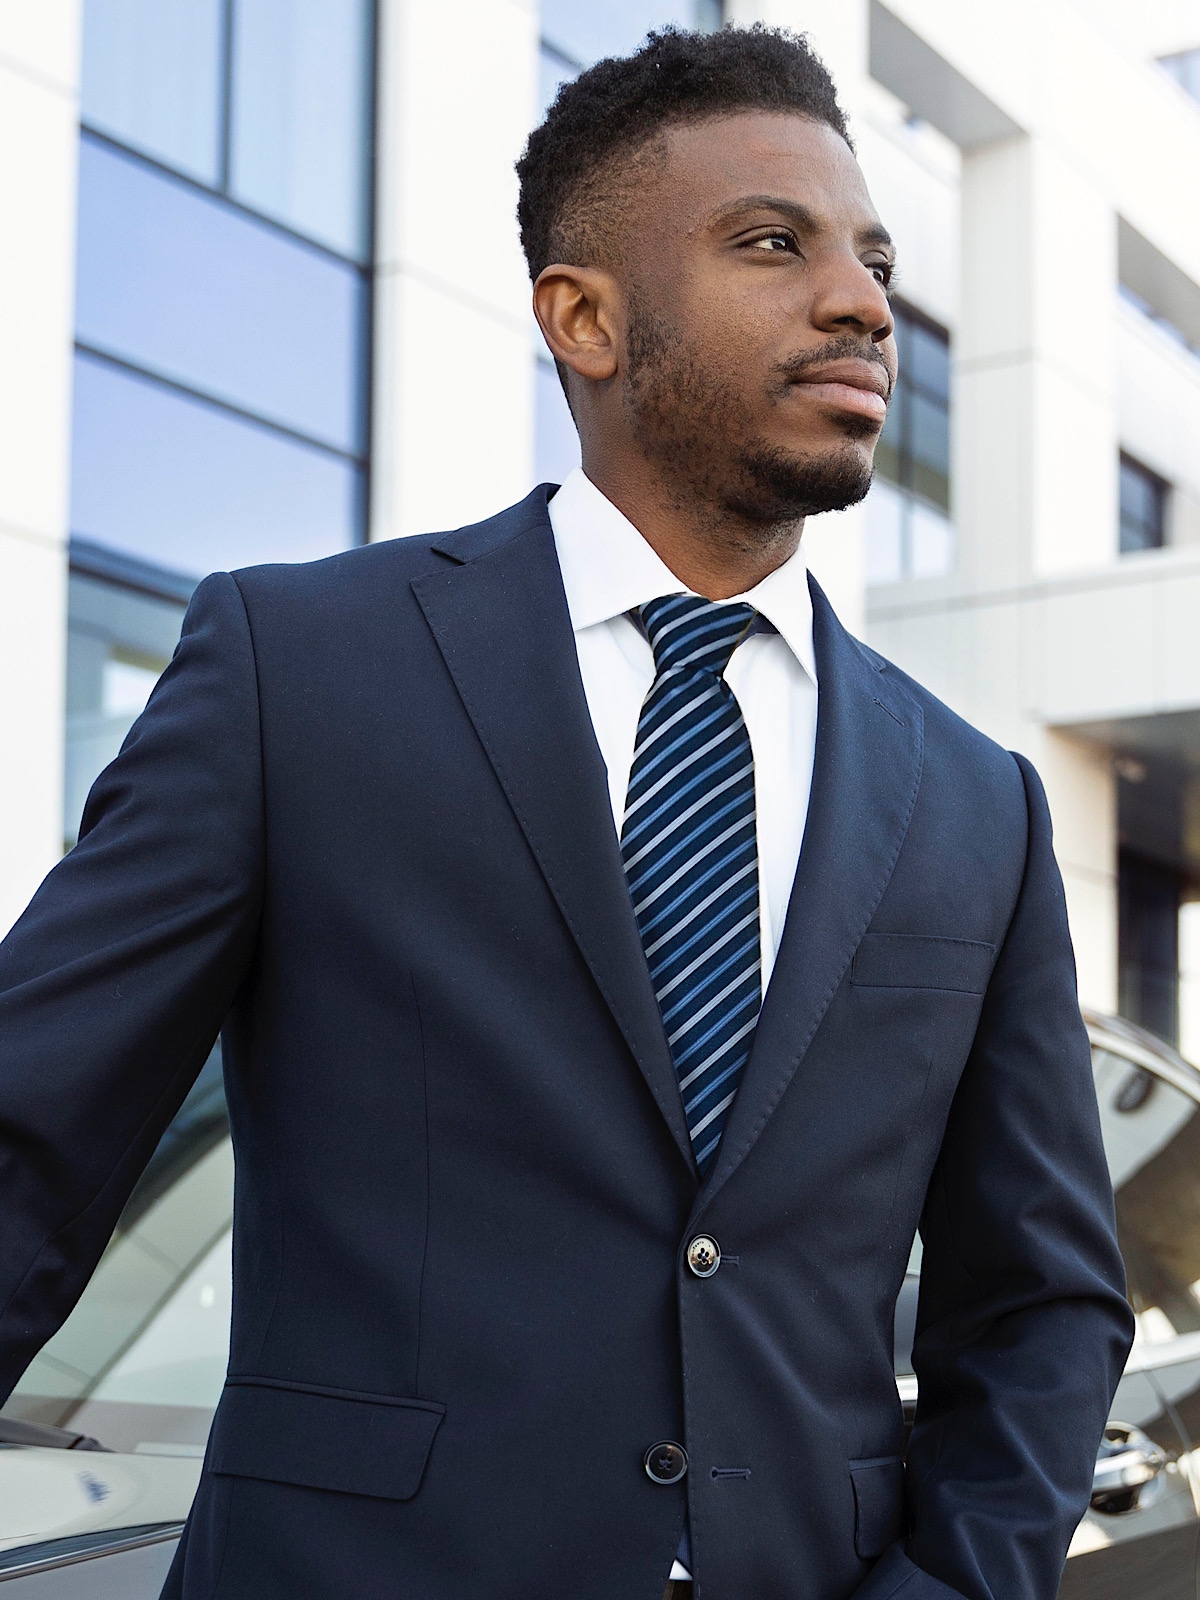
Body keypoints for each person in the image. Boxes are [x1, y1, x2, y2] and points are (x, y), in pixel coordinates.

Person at [0, 25, 1132, 1600]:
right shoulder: (297, 674)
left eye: (874, 260)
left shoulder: (978, 802)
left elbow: (1043, 1304)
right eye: (772, 244)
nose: (865, 303)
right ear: (584, 317)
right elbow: (27, 1147)